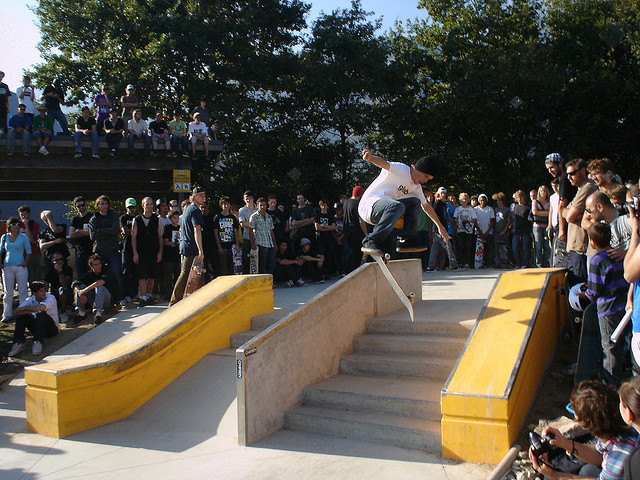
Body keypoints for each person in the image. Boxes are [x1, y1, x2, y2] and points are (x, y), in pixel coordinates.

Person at [530, 380, 640, 480]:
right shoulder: (623, 429)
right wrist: (565, 443)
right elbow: (599, 455)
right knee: (587, 471)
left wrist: (554, 475)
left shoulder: (618, 459)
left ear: (584, 423)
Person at [358, 149, 448, 257]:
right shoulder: (402, 169)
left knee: (415, 202)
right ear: (419, 170)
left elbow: (426, 206)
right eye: (426, 177)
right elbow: (384, 164)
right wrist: (371, 158)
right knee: (397, 206)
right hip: (369, 205)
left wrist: (440, 226)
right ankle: (370, 240)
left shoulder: (416, 188)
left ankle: (406, 240)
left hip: (386, 210)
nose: (425, 181)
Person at [584, 222, 629, 387]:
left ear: (592, 241)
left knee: (609, 345)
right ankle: (626, 371)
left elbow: (594, 290)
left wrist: (584, 294)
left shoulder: (597, 260)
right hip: (623, 304)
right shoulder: (618, 255)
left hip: (607, 308)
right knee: (623, 340)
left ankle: (611, 382)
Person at [169, 186, 206, 306]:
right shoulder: (195, 210)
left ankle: (199, 301)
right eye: (200, 195)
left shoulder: (188, 209)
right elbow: (197, 230)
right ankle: (174, 301)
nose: (203, 197)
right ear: (194, 197)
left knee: (198, 274)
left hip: (186, 245)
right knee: (186, 274)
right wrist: (200, 250)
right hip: (192, 247)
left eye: (204, 195)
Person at [564, 159, 599, 284]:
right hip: (575, 246)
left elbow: (569, 217)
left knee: (579, 288)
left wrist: (569, 211)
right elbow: (564, 212)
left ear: (583, 171)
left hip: (580, 247)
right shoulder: (580, 189)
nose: (569, 177)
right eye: (568, 174)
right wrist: (568, 211)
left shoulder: (587, 188)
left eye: (572, 173)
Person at [7, 281, 60, 357]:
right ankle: (18, 343)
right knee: (22, 316)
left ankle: (38, 342)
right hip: (37, 328)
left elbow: (42, 308)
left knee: (41, 314)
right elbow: (17, 311)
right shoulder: (30, 299)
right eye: (40, 291)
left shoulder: (50, 298)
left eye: (44, 290)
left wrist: (25, 308)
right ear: (34, 293)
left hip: (51, 328)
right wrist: (28, 310)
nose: (44, 293)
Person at [88, 195, 123, 306]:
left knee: (116, 274)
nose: (104, 206)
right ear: (98, 206)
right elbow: (93, 236)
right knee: (100, 275)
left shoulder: (114, 216)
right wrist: (108, 231)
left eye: (106, 203)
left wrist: (101, 231)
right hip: (100, 251)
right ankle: (102, 300)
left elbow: (116, 230)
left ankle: (120, 298)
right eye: (102, 204)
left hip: (113, 250)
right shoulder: (94, 219)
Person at [132, 197, 163, 305]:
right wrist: (135, 253)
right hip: (141, 252)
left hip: (153, 251)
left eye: (151, 204)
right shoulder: (137, 219)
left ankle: (149, 295)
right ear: (142, 205)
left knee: (152, 275)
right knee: (142, 275)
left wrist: (160, 253)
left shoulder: (157, 220)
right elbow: (133, 237)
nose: (149, 206)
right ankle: (143, 296)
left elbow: (160, 237)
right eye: (147, 204)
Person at [0, 217, 31, 322]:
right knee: (8, 292)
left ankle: (23, 312)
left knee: (22, 290)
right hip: (7, 266)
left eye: (18, 224)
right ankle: (7, 314)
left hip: (20, 266)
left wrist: (25, 262)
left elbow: (28, 250)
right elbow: (1, 250)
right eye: (13, 224)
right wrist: (1, 263)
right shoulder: (4, 237)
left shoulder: (23, 237)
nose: (16, 227)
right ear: (9, 226)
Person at [73, 255, 116, 325]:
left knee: (100, 287)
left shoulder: (107, 271)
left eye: (99, 264)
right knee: (81, 286)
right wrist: (80, 293)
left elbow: (101, 282)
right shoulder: (89, 275)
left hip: (107, 301)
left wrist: (85, 290)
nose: (98, 266)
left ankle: (98, 315)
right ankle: (81, 313)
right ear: (91, 266)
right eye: (95, 265)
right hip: (95, 300)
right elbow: (75, 283)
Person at [427, 187, 459, 271]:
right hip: (439, 230)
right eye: (442, 193)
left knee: (435, 248)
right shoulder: (437, 204)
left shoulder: (443, 205)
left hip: (441, 229)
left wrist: (450, 220)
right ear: (438, 194)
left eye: (444, 193)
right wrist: (435, 228)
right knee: (448, 246)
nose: (443, 195)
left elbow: (443, 217)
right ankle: (454, 265)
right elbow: (432, 216)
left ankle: (430, 266)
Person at [213, 196, 240, 276]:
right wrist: (219, 247)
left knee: (232, 267)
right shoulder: (217, 217)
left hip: (232, 246)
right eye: (224, 204)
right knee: (223, 268)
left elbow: (235, 231)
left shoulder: (232, 217)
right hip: (222, 245)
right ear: (221, 205)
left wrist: (237, 244)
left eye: (227, 204)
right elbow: (215, 232)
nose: (226, 206)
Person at [249, 197, 277, 274]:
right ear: (257, 205)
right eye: (260, 205)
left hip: (270, 243)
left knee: (272, 263)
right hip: (260, 243)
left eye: (264, 205)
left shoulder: (269, 217)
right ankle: (263, 279)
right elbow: (251, 230)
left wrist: (274, 244)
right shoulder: (254, 216)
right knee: (262, 264)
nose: (262, 207)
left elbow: (271, 231)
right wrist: (252, 243)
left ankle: (268, 278)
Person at [43, 253, 73, 324]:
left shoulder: (68, 269)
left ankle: (63, 312)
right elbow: (45, 289)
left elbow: (65, 284)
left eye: (61, 259)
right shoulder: (49, 272)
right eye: (57, 260)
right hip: (54, 296)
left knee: (62, 290)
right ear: (52, 261)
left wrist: (60, 272)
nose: (59, 262)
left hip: (67, 296)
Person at [69, 196, 94, 278]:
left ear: (86, 205)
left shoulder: (92, 217)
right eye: (78, 206)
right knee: (81, 277)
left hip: (91, 251)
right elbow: (71, 234)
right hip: (79, 252)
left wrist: (78, 231)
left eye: (82, 205)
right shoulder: (75, 219)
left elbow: (92, 232)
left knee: (92, 275)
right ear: (75, 207)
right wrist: (84, 232)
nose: (81, 207)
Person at [343, 186, 365, 273]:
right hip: (356, 231)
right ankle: (354, 272)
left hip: (347, 230)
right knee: (357, 254)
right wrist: (365, 232)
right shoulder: (357, 204)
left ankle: (347, 271)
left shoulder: (346, 202)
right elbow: (360, 220)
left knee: (349, 252)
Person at [120, 198, 137, 303]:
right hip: (126, 249)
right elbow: (125, 231)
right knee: (126, 272)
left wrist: (133, 231)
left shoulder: (137, 218)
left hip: (137, 249)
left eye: (133, 207)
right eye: (130, 207)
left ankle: (134, 294)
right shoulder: (123, 218)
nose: (132, 209)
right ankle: (125, 294)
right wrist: (135, 231)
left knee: (135, 273)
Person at [454, 193, 477, 268]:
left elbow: (474, 219)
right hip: (460, 230)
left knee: (468, 246)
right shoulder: (458, 209)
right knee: (461, 246)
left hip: (468, 230)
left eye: (466, 199)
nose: (464, 201)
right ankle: (461, 262)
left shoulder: (471, 209)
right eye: (463, 199)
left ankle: (467, 262)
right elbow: (455, 219)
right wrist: (458, 224)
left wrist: (468, 221)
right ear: (460, 201)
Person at [18, 205, 41, 281]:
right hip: (20, 253)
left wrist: (26, 226)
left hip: (32, 253)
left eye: (25, 214)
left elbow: (31, 239)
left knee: (33, 276)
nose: (23, 216)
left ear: (28, 214)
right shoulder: (17, 225)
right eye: (21, 215)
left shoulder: (34, 224)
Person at [162, 210, 181, 299]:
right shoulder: (167, 228)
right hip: (169, 256)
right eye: (174, 218)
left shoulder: (180, 228)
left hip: (178, 255)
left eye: (177, 218)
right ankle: (168, 294)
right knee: (168, 276)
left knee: (178, 275)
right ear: (170, 219)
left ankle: (177, 293)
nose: (176, 220)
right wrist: (172, 243)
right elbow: (165, 242)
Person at [511, 190, 532, 269]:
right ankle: (517, 263)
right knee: (515, 247)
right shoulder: (515, 207)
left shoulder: (528, 207)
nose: (519, 199)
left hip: (525, 230)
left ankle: (525, 263)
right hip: (516, 230)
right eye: (517, 197)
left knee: (525, 247)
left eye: (520, 197)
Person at [532, 185, 551, 267]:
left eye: (544, 191)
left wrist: (541, 213)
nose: (543, 193)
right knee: (538, 245)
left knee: (546, 246)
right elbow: (534, 212)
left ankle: (546, 262)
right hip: (537, 226)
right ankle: (539, 263)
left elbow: (551, 213)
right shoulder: (535, 201)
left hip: (546, 225)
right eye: (541, 191)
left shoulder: (549, 202)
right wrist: (546, 213)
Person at [238, 190, 257, 274]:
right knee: (246, 260)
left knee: (257, 259)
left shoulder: (258, 209)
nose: (248, 200)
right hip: (246, 237)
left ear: (253, 198)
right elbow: (242, 223)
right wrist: (254, 224)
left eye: (250, 198)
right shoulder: (242, 210)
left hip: (258, 238)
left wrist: (249, 224)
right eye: (246, 198)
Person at [474, 193, 495, 269]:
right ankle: (479, 263)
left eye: (484, 200)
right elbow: (474, 222)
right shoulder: (475, 209)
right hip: (478, 232)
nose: (483, 202)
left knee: (488, 249)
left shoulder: (490, 209)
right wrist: (480, 231)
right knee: (479, 249)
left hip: (488, 233)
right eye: (481, 200)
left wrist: (487, 232)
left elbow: (492, 221)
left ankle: (487, 263)